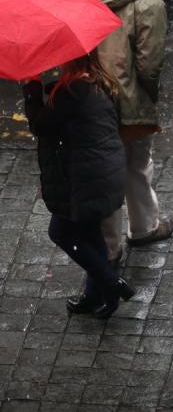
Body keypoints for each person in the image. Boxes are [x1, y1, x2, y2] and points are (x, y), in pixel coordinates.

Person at [81, 0, 173, 263]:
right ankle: (145, 226)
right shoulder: (150, 4)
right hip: (130, 103)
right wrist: (150, 93)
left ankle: (109, 247)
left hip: (93, 96)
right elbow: (149, 65)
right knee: (136, 163)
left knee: (105, 174)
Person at [22, 51, 136, 319]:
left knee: (61, 232)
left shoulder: (72, 90)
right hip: (104, 171)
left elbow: (40, 124)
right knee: (90, 233)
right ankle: (97, 296)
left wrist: (31, 86)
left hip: (86, 179)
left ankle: (111, 283)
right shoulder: (98, 81)